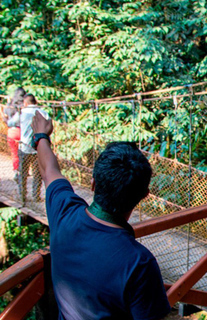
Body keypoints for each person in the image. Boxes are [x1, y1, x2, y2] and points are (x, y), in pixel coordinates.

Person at [31, 111, 171, 319]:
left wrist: (41, 136)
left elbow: (49, 169)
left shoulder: (64, 213)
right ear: (143, 196)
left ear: (93, 183)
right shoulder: (139, 263)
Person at [18, 94, 48, 203]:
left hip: (24, 147)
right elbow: (49, 124)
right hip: (37, 148)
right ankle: (36, 196)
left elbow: (12, 123)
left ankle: (22, 195)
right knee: (37, 173)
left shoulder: (22, 113)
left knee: (23, 172)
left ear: (25, 103)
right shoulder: (43, 113)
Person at [1, 88, 25, 179]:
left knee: (14, 153)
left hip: (12, 132)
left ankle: (16, 171)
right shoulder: (25, 105)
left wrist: (8, 102)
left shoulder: (10, 106)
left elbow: (5, 117)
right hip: (23, 132)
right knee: (24, 153)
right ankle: (24, 171)